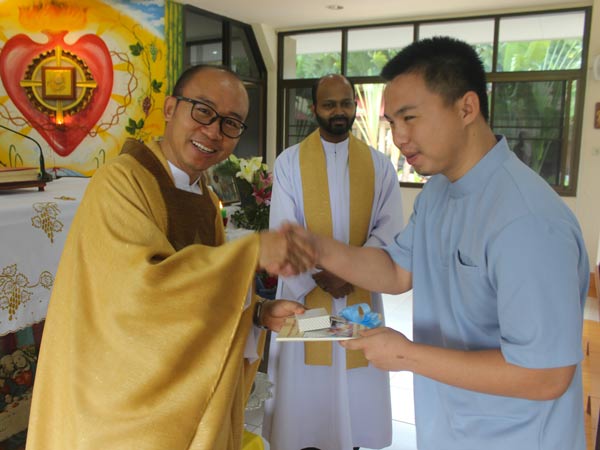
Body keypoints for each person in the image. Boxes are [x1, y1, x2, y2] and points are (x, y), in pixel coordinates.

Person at [288, 37, 590, 450]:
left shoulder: (527, 220)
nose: (399, 137)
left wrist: (406, 355)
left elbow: (546, 376)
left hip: (512, 438)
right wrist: (315, 248)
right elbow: (396, 271)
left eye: (410, 118)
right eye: (392, 122)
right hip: (448, 427)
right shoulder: (438, 194)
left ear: (466, 108)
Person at [25, 65, 315, 450]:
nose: (213, 131)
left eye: (230, 123)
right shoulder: (120, 183)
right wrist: (252, 251)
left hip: (180, 399)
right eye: (203, 111)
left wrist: (258, 312)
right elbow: (139, 294)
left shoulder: (205, 199)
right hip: (120, 404)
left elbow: (199, 292)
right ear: (170, 108)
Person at [263, 74, 403, 450]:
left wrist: (349, 272)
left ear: (355, 107)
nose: (338, 111)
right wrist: (320, 274)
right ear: (314, 109)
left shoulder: (379, 166)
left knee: (354, 380)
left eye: (345, 103)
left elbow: (389, 229)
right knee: (307, 394)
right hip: (307, 295)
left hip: (359, 299)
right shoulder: (290, 163)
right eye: (329, 104)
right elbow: (284, 229)